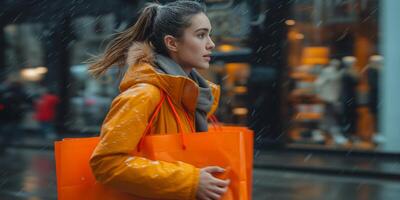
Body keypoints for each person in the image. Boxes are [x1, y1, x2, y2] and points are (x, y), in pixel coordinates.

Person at [88, 1, 229, 199]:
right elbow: (106, 163)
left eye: (209, 34)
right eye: (201, 35)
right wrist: (189, 181)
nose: (211, 43)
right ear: (172, 43)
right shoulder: (144, 95)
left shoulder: (190, 97)